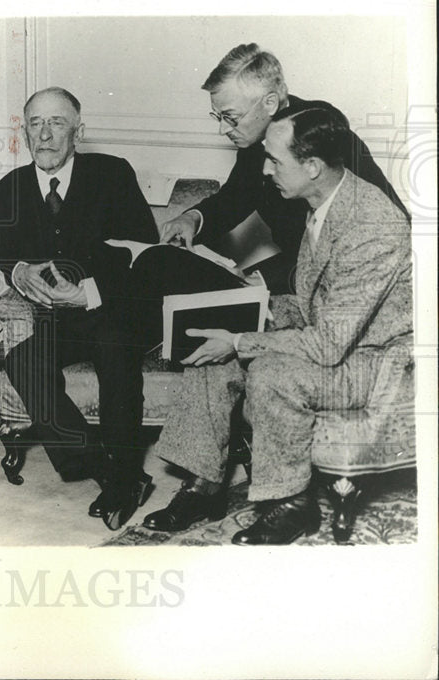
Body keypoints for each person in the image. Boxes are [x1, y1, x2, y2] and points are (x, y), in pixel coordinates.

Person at [143, 106, 413, 544]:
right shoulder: (323, 201)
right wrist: (251, 318)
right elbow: (316, 304)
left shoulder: (372, 224)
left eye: (275, 161)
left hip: (376, 365)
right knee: (214, 337)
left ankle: (289, 506)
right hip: (339, 340)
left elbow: (329, 344)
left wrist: (240, 341)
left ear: (311, 167)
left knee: (269, 370)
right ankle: (203, 486)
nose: (265, 171)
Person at [0, 87, 160, 530]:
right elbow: (11, 260)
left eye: (57, 123)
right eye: (35, 124)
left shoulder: (112, 174)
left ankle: (121, 477)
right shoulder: (5, 190)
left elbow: (146, 253)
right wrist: (19, 272)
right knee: (21, 360)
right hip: (60, 318)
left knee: (112, 342)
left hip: (116, 309)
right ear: (24, 131)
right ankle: (106, 469)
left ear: (78, 132)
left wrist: (91, 291)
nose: (44, 135)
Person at [159, 43, 406, 294]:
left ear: (270, 103)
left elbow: (378, 242)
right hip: (300, 268)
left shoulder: (324, 137)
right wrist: (192, 218)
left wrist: (267, 278)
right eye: (218, 117)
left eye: (231, 117)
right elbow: (237, 195)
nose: (222, 130)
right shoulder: (257, 138)